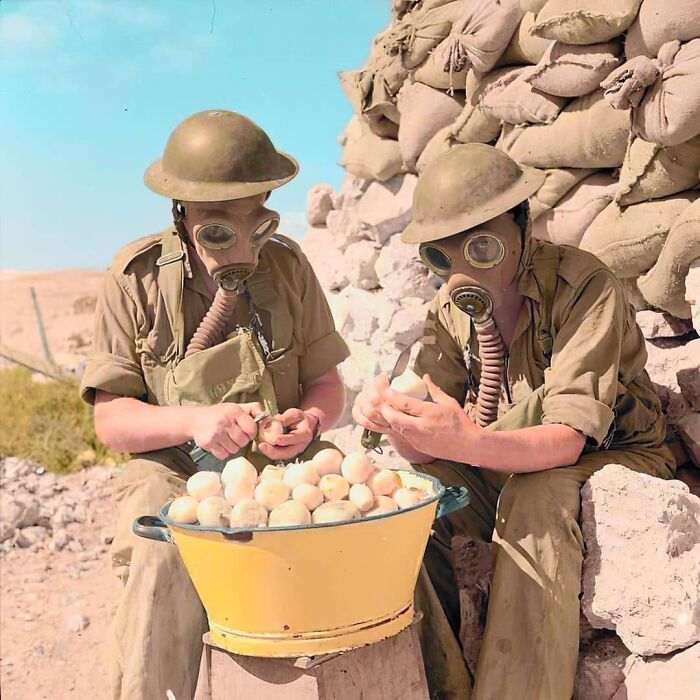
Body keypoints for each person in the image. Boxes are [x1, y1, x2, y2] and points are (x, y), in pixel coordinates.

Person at [353, 144, 675, 700]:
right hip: (503, 456)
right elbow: (431, 452)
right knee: (416, 504)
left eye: (481, 246)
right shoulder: (449, 311)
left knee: (535, 497)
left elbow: (569, 440)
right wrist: (397, 424)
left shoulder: (583, 286)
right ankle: (442, 684)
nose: (462, 271)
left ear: (522, 226)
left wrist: (467, 441)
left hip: (609, 453)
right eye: (441, 257)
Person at [79, 109, 349, 700]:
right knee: (160, 548)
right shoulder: (136, 278)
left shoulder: (289, 267)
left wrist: (309, 421)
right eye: (218, 224)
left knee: (366, 531)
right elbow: (113, 420)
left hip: (281, 465)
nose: (242, 238)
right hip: (175, 464)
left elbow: (326, 385)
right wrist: (195, 421)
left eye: (258, 218)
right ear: (182, 215)